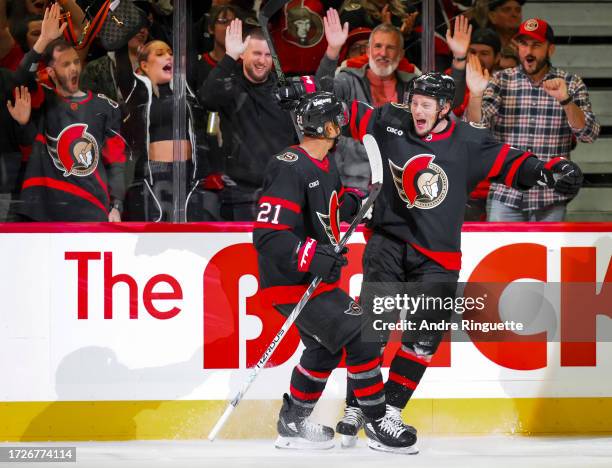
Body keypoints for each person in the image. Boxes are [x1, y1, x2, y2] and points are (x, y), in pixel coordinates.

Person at [306, 71, 583, 447]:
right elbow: (341, 112)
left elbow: (514, 164)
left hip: (438, 256)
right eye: (414, 102)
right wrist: (301, 92)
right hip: (388, 241)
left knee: (422, 340)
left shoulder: (468, 141)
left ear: (445, 108)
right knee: (373, 329)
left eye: (426, 105)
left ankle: (389, 414)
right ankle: (359, 406)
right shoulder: (390, 121)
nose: (417, 111)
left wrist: (552, 172)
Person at [253, 91, 417, 454]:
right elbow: (267, 235)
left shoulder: (324, 162)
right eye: (336, 120)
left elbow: (326, 206)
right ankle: (376, 424)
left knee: (325, 350)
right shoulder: (288, 165)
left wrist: (352, 201)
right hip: (290, 283)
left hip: (314, 282)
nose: (341, 125)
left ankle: (293, 423)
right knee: (362, 335)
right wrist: (311, 255)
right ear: (325, 126)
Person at [315, 9, 469, 191]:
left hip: (399, 184)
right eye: (378, 46)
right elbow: (321, 97)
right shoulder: (348, 80)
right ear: (368, 50)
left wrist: (459, 59)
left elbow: (450, 103)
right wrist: (332, 50)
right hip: (351, 183)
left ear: (401, 53)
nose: (383, 53)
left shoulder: (415, 85)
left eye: (390, 47)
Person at [465, 18, 600, 221]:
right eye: (524, 44)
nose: (529, 51)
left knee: (549, 253)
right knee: (504, 253)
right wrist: (475, 95)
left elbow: (588, 134)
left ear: (550, 49)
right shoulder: (501, 80)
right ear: (516, 47)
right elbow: (476, 128)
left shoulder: (571, 83)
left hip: (551, 196)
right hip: (505, 195)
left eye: (536, 45)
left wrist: (565, 100)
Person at [11, 4, 126, 222]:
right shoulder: (43, 99)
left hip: (92, 208)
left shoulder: (105, 107)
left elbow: (117, 162)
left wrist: (117, 205)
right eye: (65, 64)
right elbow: (20, 79)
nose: (73, 68)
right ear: (51, 72)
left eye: (75, 61)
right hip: (43, 211)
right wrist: (43, 39)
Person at [198, 18, 298, 221]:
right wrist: (229, 56)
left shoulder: (285, 90)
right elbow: (206, 98)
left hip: (283, 191)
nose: (262, 60)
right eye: (257, 53)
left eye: (268, 55)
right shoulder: (231, 84)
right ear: (243, 54)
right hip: (240, 194)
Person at [122, 40, 209, 222]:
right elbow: (120, 58)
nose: (169, 56)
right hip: (154, 175)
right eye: (160, 54)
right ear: (144, 65)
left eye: (170, 53)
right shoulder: (137, 92)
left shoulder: (185, 88)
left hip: (188, 174)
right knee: (157, 237)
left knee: (190, 236)